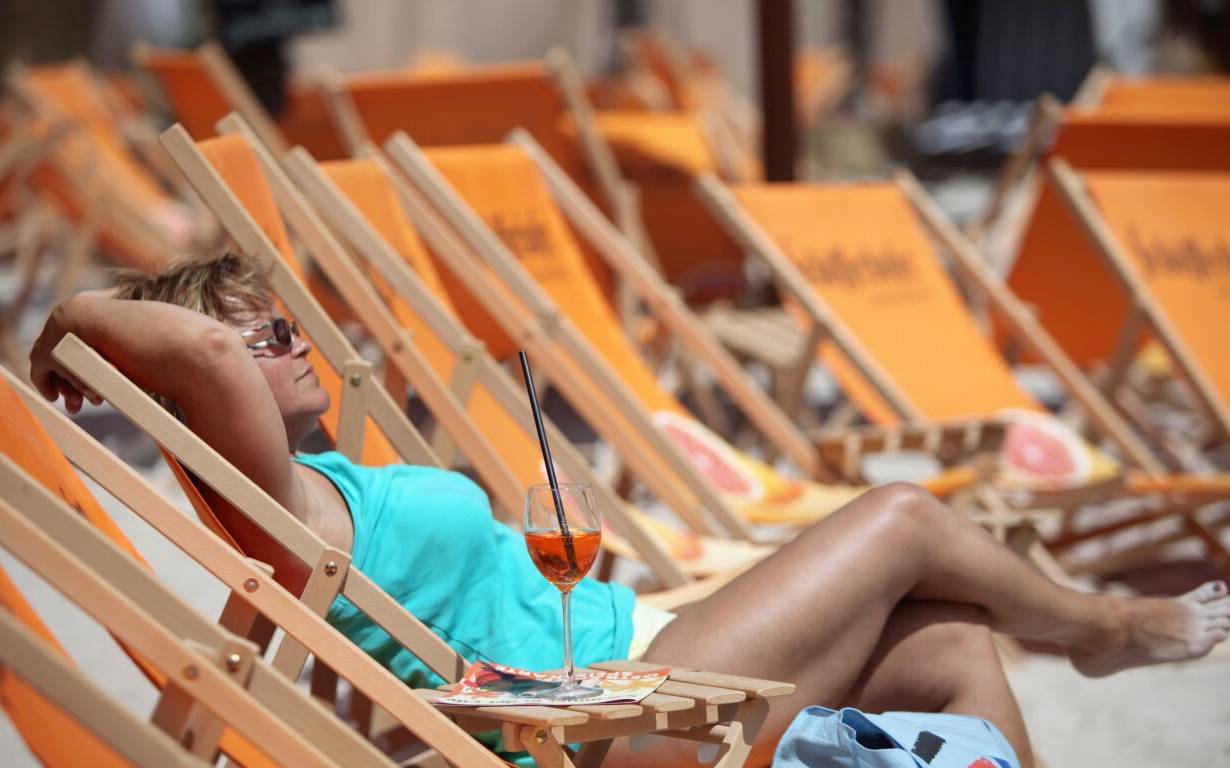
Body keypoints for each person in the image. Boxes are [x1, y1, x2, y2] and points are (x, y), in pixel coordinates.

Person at [30, 252, 1230, 768]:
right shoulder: (277, 507)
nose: (293, 344)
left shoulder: (329, 495)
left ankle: (1073, 643)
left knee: (954, 643)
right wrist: (74, 318)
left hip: (623, 665)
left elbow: (378, 684)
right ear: (204, 382)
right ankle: (1100, 630)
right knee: (909, 518)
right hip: (613, 723)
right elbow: (198, 349)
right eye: (265, 338)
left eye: (289, 325)